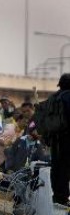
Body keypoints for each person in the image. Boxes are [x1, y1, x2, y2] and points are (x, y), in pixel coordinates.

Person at [46, 74, 70, 206]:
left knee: (56, 166)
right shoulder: (68, 97)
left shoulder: (52, 98)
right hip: (66, 138)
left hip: (54, 138)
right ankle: (63, 197)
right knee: (65, 168)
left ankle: (57, 196)